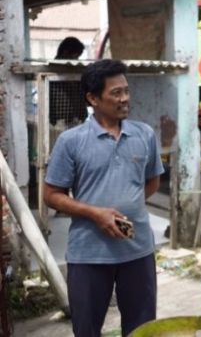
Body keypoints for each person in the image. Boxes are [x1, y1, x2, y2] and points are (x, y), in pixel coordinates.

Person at [43, 59, 164, 336]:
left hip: (138, 251)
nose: (125, 99)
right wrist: (96, 213)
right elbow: (52, 195)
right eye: (116, 93)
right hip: (89, 254)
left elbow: (152, 181)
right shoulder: (71, 141)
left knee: (142, 328)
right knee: (86, 329)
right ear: (93, 98)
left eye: (126, 91)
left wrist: (126, 204)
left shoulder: (143, 134)